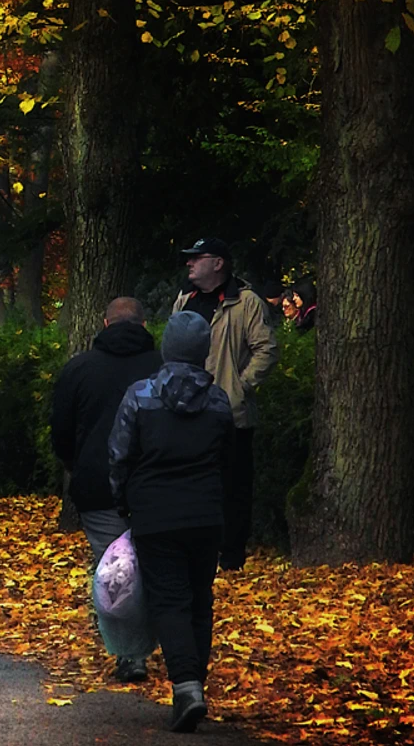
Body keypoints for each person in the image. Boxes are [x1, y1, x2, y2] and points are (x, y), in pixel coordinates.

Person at [109, 311, 235, 734]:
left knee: (169, 600)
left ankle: (186, 686)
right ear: (204, 351)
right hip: (205, 515)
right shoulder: (219, 402)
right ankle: (194, 684)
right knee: (200, 600)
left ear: (166, 348)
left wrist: (122, 499)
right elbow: (229, 463)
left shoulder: (141, 395)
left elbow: (120, 454)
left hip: (155, 514)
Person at [50, 295, 163, 683]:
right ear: (144, 326)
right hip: (155, 485)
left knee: (115, 568)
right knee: (152, 564)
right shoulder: (162, 368)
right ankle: (163, 642)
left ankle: (131, 654)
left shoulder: (80, 369)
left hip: (97, 486)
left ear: (104, 325)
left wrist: (73, 465)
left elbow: (61, 432)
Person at [171, 238, 278, 569]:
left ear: (218, 263)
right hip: (185, 413)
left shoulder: (245, 303)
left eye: (196, 258)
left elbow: (267, 349)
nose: (188, 263)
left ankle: (232, 557)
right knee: (189, 485)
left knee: (233, 488)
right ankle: (195, 550)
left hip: (231, 415)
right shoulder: (184, 301)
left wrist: (240, 385)